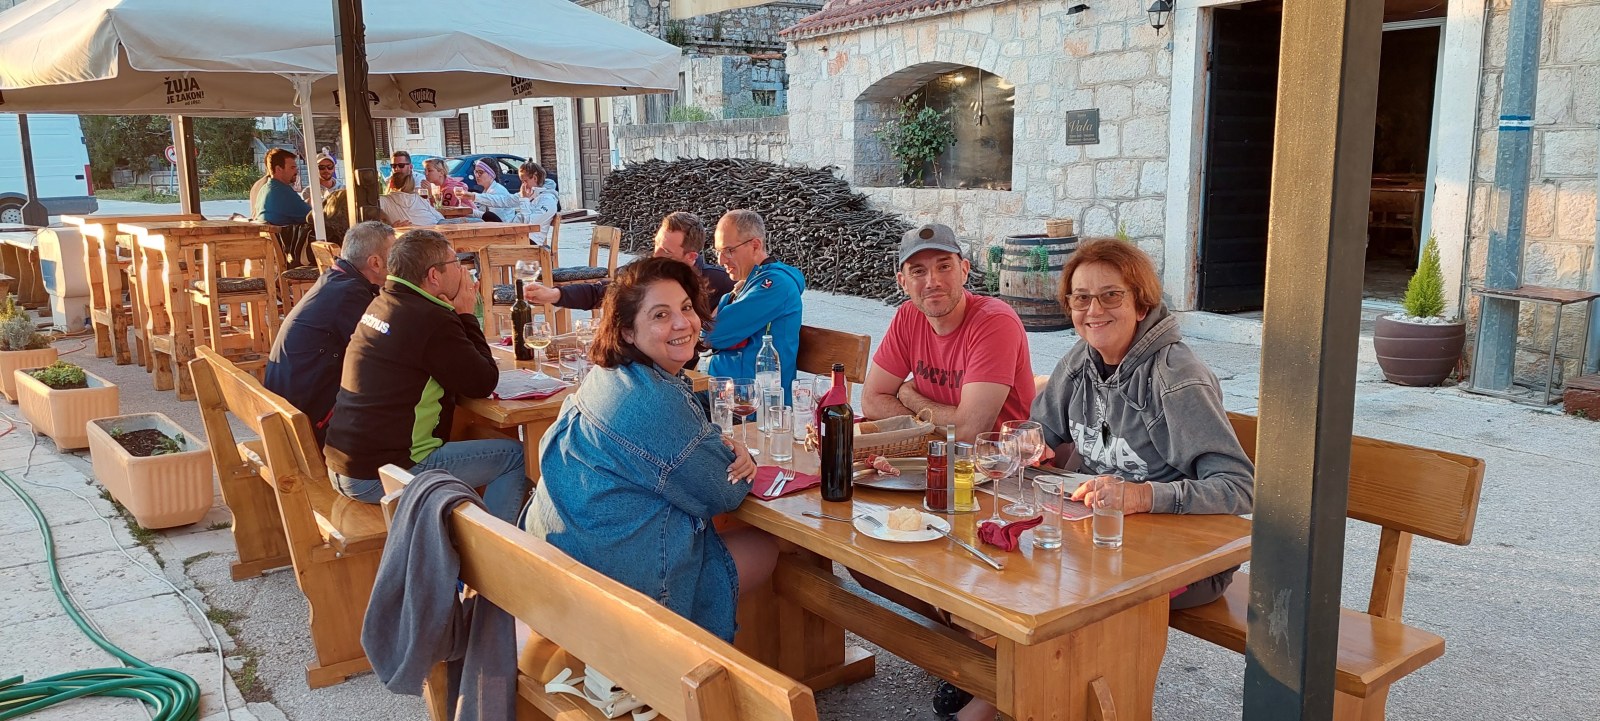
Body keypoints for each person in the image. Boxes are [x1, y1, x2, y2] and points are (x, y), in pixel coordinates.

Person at [916, 238, 1254, 721]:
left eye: (1110, 295)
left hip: (1179, 560)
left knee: (1058, 600)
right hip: (1093, 537)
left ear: (1141, 301)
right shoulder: (1081, 360)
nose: (1093, 310)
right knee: (980, 558)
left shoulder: (1176, 377)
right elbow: (1040, 430)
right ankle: (991, 675)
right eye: (1080, 298)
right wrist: (1029, 443)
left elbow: (1239, 485)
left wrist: (1141, 495)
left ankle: (991, 699)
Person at [522, 257, 775, 642]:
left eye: (686, 308)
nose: (682, 323)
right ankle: (708, 668)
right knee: (766, 546)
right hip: (615, 598)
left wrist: (715, 447)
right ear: (626, 332)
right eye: (660, 315)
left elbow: (680, 453)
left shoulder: (606, 376)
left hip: (562, 565)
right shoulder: (653, 403)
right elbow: (726, 490)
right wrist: (740, 458)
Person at [323, 229, 529, 523]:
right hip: (384, 474)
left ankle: (470, 537)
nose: (462, 269)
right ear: (434, 275)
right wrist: (466, 314)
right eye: (456, 262)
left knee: (475, 437)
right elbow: (483, 382)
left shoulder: (383, 302)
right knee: (515, 457)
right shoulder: (430, 318)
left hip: (345, 465)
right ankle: (494, 558)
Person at [862, 223, 1035, 442]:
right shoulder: (908, 316)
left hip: (1002, 464)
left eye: (944, 267)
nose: (932, 282)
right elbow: (871, 399)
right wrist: (923, 428)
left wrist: (910, 397)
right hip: (936, 455)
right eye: (918, 271)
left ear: (964, 270)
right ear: (903, 283)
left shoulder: (995, 322)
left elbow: (969, 432)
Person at [264, 221, 396, 444]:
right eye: (395, 257)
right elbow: (389, 352)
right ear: (375, 262)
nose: (399, 264)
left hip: (287, 413)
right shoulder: (350, 295)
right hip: (308, 429)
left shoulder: (335, 281)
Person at [521, 211, 733, 311]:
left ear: (691, 257)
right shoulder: (644, 272)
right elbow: (601, 292)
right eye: (656, 244)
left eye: (666, 251)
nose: (656, 255)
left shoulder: (719, 283)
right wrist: (554, 294)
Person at [703, 209, 804, 399]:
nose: (720, 260)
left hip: (755, 405)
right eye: (718, 252)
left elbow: (710, 334)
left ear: (755, 246)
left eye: (729, 251)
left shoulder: (774, 284)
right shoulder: (749, 282)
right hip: (727, 393)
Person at [254, 148, 313, 227]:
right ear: (278, 169)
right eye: (292, 168)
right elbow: (313, 216)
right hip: (286, 238)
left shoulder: (264, 190)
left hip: (272, 237)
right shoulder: (283, 192)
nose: (296, 171)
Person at [514, 161, 559, 244]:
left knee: (489, 245)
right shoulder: (534, 196)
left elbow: (529, 225)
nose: (523, 185)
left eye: (525, 181)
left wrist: (524, 200)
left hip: (530, 240)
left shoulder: (548, 201)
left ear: (534, 178)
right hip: (520, 236)